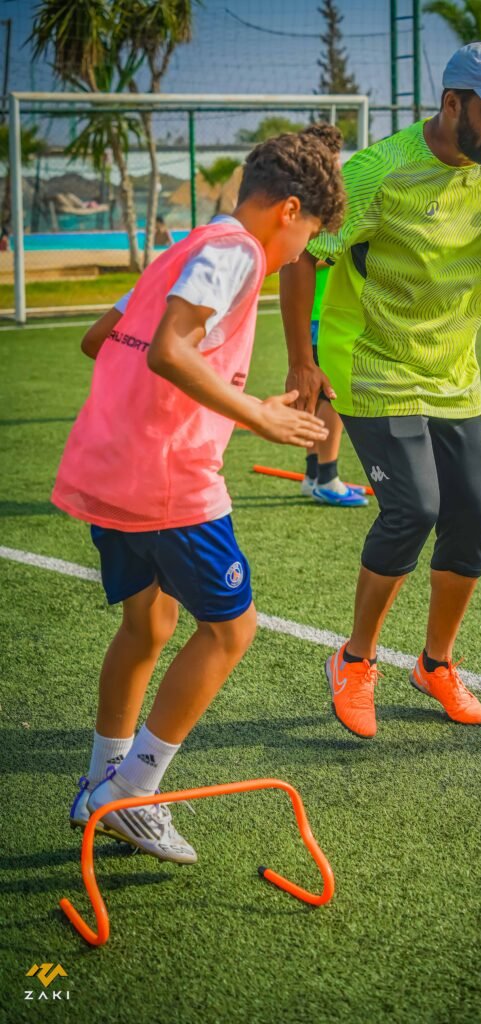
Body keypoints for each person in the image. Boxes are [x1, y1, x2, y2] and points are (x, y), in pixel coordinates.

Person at [53, 132, 345, 863]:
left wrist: (223, 397)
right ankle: (132, 792)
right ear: (287, 210)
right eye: (308, 235)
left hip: (107, 468)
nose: (300, 252)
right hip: (169, 481)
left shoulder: (184, 249)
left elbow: (102, 340)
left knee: (147, 628)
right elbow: (170, 351)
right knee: (229, 630)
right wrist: (260, 416)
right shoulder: (239, 253)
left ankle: (98, 786)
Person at [280, 41, 481, 739]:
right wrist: (301, 361)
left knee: (470, 516)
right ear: (452, 102)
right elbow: (303, 257)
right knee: (413, 508)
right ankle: (355, 659)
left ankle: (434, 664)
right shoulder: (373, 175)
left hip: (452, 373)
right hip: (370, 362)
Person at [298, 123, 368, 508]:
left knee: (318, 396)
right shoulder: (321, 203)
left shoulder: (312, 199)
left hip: (316, 313)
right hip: (323, 314)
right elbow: (310, 256)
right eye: (334, 159)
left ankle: (313, 476)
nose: (339, 167)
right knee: (332, 397)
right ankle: (327, 477)